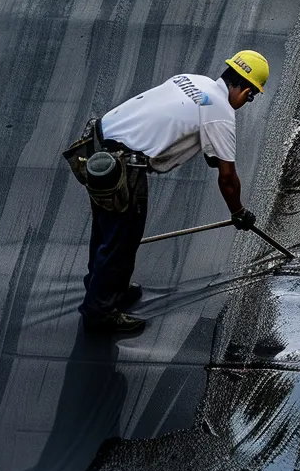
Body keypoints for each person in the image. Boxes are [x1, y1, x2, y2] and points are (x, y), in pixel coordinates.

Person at [63, 50, 269, 334]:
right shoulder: (220, 112)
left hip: (96, 148)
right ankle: (99, 313)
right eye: (250, 97)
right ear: (246, 90)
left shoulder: (192, 80)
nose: (246, 102)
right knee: (121, 240)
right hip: (122, 166)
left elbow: (179, 120)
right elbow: (228, 179)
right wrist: (238, 212)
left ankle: (108, 289)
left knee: (106, 230)